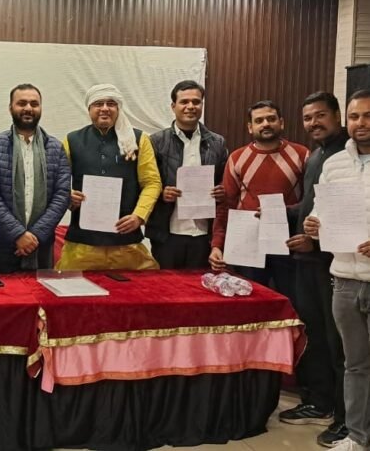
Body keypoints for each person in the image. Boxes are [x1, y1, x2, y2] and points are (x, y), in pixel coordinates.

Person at [277, 92, 348, 446]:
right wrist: (280, 211)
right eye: (307, 118)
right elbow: (310, 206)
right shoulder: (316, 155)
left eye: (320, 115)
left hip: (334, 265)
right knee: (315, 336)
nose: (313, 123)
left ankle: (347, 417)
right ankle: (320, 402)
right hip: (306, 263)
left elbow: (350, 215)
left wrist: (316, 243)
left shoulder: (348, 154)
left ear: (337, 115)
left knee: (340, 345)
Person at [304, 89, 370, 451]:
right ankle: (357, 437)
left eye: (369, 116)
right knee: (355, 364)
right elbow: (321, 209)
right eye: (355, 116)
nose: (361, 123)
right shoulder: (334, 164)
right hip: (344, 278)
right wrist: (314, 223)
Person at [209, 100, 309, 301]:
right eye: (259, 120)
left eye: (271, 119)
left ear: (281, 122)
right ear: (250, 127)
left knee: (290, 302)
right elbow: (226, 205)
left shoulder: (302, 155)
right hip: (247, 245)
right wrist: (217, 245)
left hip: (288, 243)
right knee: (250, 303)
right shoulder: (237, 158)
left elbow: (310, 202)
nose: (266, 124)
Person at [56, 83, 162, 271]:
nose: (105, 108)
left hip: (127, 243)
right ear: (89, 109)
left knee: (141, 287)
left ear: (118, 108)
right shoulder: (72, 140)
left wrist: (139, 216)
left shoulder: (139, 140)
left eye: (111, 104)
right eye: (98, 104)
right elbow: (57, 181)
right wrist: (67, 195)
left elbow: (152, 182)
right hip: (82, 244)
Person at [0, 84, 70, 273]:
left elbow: (62, 195)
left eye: (34, 104)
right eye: (22, 103)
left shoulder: (55, 148)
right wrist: (18, 234)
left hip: (41, 243)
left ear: (40, 108)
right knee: (0, 292)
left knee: (39, 292)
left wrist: (35, 235)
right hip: (1, 243)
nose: (28, 108)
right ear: (10, 108)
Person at [146, 80, 228, 268]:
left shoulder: (217, 143)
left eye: (196, 102)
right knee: (166, 285)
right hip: (166, 234)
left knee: (200, 285)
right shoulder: (156, 141)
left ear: (202, 105)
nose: (191, 106)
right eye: (184, 102)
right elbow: (145, 184)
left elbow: (225, 184)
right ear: (173, 106)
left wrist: (221, 191)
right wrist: (161, 193)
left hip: (204, 234)